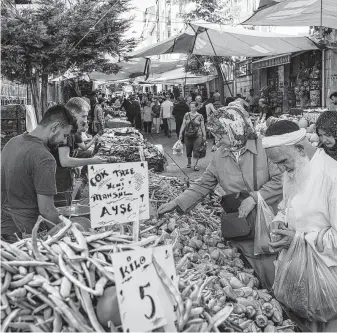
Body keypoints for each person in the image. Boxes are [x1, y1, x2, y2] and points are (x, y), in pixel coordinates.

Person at [159, 104, 283, 288]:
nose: (217, 140)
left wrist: (255, 197)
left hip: (270, 223)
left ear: (236, 128)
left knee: (275, 270)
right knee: (252, 273)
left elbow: (282, 179)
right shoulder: (220, 155)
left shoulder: (265, 147)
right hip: (242, 225)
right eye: (215, 135)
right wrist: (177, 202)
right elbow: (203, 184)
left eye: (221, 134)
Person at [262, 120, 337, 332]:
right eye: (276, 164)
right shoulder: (294, 170)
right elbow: (287, 206)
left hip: (328, 279)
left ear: (300, 148)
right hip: (299, 274)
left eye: (283, 161)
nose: (280, 169)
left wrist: (298, 239)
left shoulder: (332, 175)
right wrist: (279, 221)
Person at [1, 105, 78, 243]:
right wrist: (67, 234)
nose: (64, 141)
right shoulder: (44, 158)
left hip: (4, 227)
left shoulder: (12, 142)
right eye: (64, 135)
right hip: (26, 233)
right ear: (54, 127)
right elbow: (47, 210)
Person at [51, 98, 105, 207]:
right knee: (61, 216)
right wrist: (92, 160)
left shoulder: (63, 127)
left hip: (60, 181)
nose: (85, 121)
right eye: (84, 116)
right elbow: (65, 161)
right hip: (58, 184)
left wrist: (73, 166)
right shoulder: (65, 130)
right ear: (73, 113)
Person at [178, 101, 206, 171]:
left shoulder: (200, 116)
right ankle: (189, 161)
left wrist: (204, 136)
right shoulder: (186, 115)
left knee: (196, 150)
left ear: (197, 107)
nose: (192, 108)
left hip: (197, 135)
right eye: (190, 107)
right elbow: (183, 124)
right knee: (188, 149)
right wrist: (180, 133)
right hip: (187, 135)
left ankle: (195, 165)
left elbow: (202, 127)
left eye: (193, 107)